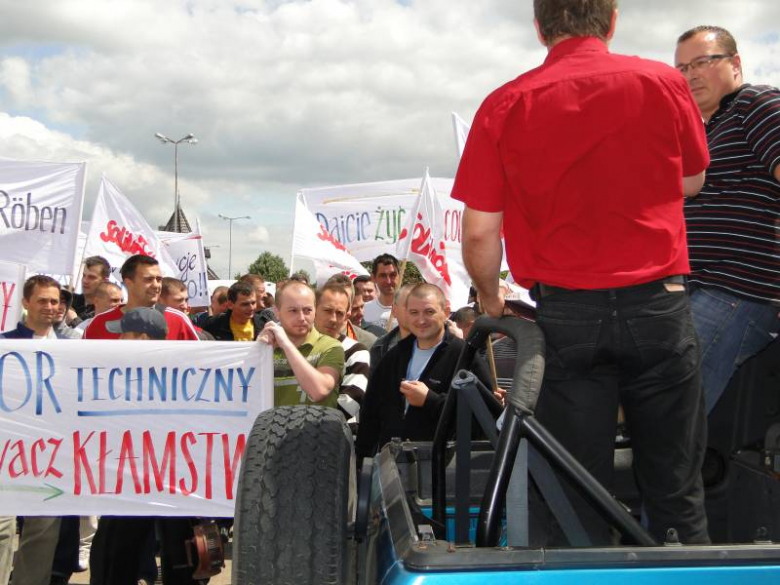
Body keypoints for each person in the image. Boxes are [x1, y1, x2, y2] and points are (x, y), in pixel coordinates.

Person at [453, 0, 710, 544]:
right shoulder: (664, 82)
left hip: (567, 313)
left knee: (574, 495)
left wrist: (490, 300)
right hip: (659, 305)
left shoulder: (505, 102)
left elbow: (478, 233)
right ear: (612, 21)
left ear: (539, 27)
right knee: (676, 491)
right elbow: (692, 182)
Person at [675, 26, 780, 413]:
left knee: (670, 409)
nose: (691, 75)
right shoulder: (708, 132)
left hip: (737, 289)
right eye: (682, 68)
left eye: (702, 62)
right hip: (698, 288)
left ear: (735, 63)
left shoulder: (756, 103)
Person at [0, 275, 78, 585]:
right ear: (25, 302)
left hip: (50, 453)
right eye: (42, 300)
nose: (50, 306)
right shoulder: (5, 343)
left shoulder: (75, 348)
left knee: (43, 532)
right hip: (6, 450)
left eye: (55, 301)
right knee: (3, 527)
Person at [356, 284, 490, 458]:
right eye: (414, 313)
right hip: (392, 465)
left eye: (429, 312)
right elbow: (371, 414)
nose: (421, 320)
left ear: (446, 311)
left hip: (443, 467)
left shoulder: (465, 357)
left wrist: (430, 400)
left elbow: (483, 419)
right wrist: (362, 463)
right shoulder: (394, 356)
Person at [258, 281, 344, 407]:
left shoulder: (331, 347)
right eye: (293, 310)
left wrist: (286, 345)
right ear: (276, 311)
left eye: (307, 310)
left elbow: (319, 390)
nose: (301, 318)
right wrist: (257, 349)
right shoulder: (266, 349)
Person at [84, 255, 199, 341]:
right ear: (129, 283)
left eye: (159, 279)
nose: (156, 285)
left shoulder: (178, 320)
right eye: (149, 279)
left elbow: (200, 362)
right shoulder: (99, 323)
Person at [314, 282, 371, 426]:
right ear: (314, 309)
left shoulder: (356, 352)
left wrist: (305, 423)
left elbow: (348, 405)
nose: (333, 319)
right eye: (327, 311)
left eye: (339, 313)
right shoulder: (295, 346)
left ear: (347, 316)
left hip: (335, 433)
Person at [202, 281, 270, 341]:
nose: (251, 308)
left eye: (253, 303)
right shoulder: (213, 325)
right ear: (230, 304)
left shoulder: (264, 325)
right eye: (245, 304)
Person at [370, 284, 414, 374]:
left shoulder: (439, 348)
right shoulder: (379, 346)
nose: (413, 311)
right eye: (408, 305)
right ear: (394, 310)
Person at [363, 254, 400, 329]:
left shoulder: (411, 310)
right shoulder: (363, 310)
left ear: (399, 276)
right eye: (383, 275)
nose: (388, 281)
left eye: (393, 275)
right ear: (373, 278)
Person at [71, 255, 111, 321]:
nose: (85, 281)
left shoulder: (107, 310)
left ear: (105, 281)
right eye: (84, 275)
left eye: (91, 277)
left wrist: (74, 320)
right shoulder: (69, 300)